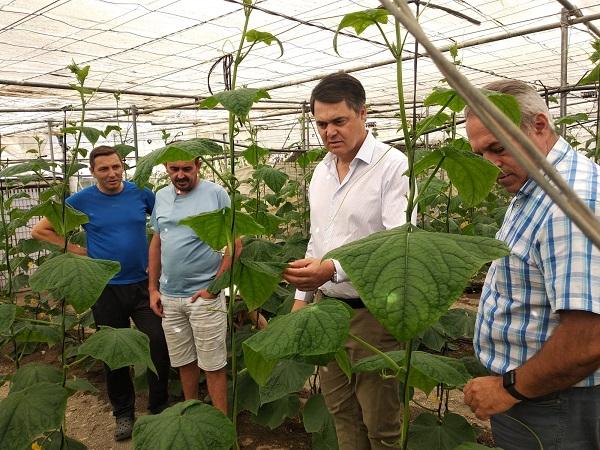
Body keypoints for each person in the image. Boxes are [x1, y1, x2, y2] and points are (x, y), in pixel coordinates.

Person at [463, 80, 600, 449]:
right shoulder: (535, 185)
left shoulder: (568, 203)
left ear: (539, 126)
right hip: (541, 395)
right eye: (480, 155)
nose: (490, 166)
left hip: (552, 401)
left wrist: (510, 388)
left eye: (498, 148)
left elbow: (590, 338)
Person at [283, 72, 413, 450]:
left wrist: (334, 269)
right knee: (341, 410)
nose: (329, 132)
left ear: (363, 114)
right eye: (321, 124)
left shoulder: (393, 166)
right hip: (328, 311)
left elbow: (399, 245)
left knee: (380, 422)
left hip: (373, 314)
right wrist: (301, 299)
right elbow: (318, 239)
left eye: (339, 121)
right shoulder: (321, 171)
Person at [31, 145, 170, 441]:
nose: (112, 173)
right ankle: (123, 414)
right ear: (92, 172)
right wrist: (79, 251)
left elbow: (165, 222)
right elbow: (40, 230)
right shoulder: (81, 199)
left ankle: (159, 409)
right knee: (114, 351)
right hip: (104, 286)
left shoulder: (140, 193)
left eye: (116, 167)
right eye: (104, 169)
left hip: (144, 285)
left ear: (123, 167)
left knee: (157, 342)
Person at [148, 158, 232, 414]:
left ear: (198, 166)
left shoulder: (216, 194)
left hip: (204, 296)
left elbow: (234, 243)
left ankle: (220, 426)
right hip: (170, 298)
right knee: (184, 361)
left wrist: (214, 288)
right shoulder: (160, 196)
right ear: (166, 169)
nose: (181, 174)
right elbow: (157, 242)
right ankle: (192, 415)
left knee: (213, 365)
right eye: (175, 169)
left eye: (187, 169)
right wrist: (152, 289)